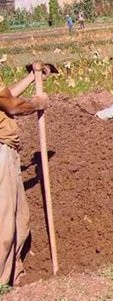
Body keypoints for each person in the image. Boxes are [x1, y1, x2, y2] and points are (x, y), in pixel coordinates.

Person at [0, 62, 50, 286]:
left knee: (19, 217)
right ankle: (3, 282)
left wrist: (32, 78)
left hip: (7, 152)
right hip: (1, 152)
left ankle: (13, 276)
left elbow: (5, 97)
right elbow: (11, 106)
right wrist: (36, 104)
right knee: (5, 222)